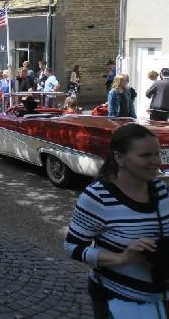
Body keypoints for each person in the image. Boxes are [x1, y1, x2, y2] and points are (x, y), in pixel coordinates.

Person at [64, 123, 169, 318]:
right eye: (145, 156)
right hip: (119, 300)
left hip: (162, 297)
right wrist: (122, 258)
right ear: (119, 158)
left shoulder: (160, 189)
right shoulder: (97, 197)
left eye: (157, 154)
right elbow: (73, 247)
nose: (156, 162)